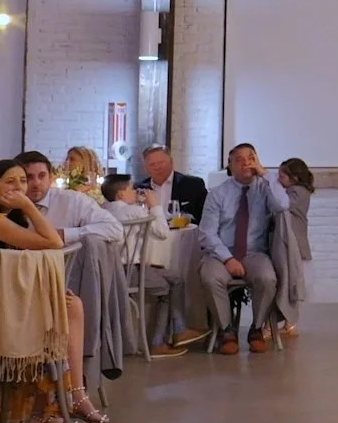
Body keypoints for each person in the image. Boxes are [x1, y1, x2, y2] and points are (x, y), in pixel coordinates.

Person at [0, 158, 108, 423]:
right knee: (65, 311)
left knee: (71, 305)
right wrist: (29, 206)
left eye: (22, 181)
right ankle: (61, 403)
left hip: (7, 299)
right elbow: (54, 242)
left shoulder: (11, 219)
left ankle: (68, 398)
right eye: (10, 182)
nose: (19, 188)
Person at [196, 143, 291, 355]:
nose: (245, 163)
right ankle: (226, 330)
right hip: (221, 253)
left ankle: (257, 328)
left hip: (254, 252)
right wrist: (227, 259)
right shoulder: (218, 193)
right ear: (230, 166)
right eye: (238, 160)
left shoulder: (265, 188)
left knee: (267, 278)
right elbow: (207, 233)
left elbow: (283, 205)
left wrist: (265, 173)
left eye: (250, 158)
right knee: (210, 277)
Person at [101, 176, 206, 357]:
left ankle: (179, 330)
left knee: (175, 278)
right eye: (132, 189)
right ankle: (158, 342)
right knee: (165, 286)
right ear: (121, 194)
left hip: (110, 270)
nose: (136, 192)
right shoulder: (133, 211)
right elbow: (162, 232)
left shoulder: (103, 211)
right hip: (128, 272)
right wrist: (155, 206)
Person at [16, 151, 121, 247]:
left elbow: (114, 228)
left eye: (42, 176)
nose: (36, 183)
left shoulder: (72, 200)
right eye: (29, 177)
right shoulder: (9, 204)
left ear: (50, 178)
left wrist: (65, 234)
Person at [275, 159, 316, 338]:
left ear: (295, 177)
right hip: (293, 243)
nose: (279, 179)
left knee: (291, 283)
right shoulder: (296, 192)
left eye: (282, 176)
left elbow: (282, 204)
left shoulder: (297, 193)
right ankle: (288, 322)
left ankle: (289, 322)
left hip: (295, 245)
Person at [137, 144, 207, 223]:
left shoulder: (193, 185)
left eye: (161, 162)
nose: (157, 167)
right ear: (145, 168)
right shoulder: (139, 188)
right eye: (152, 164)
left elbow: (206, 218)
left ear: (171, 162)